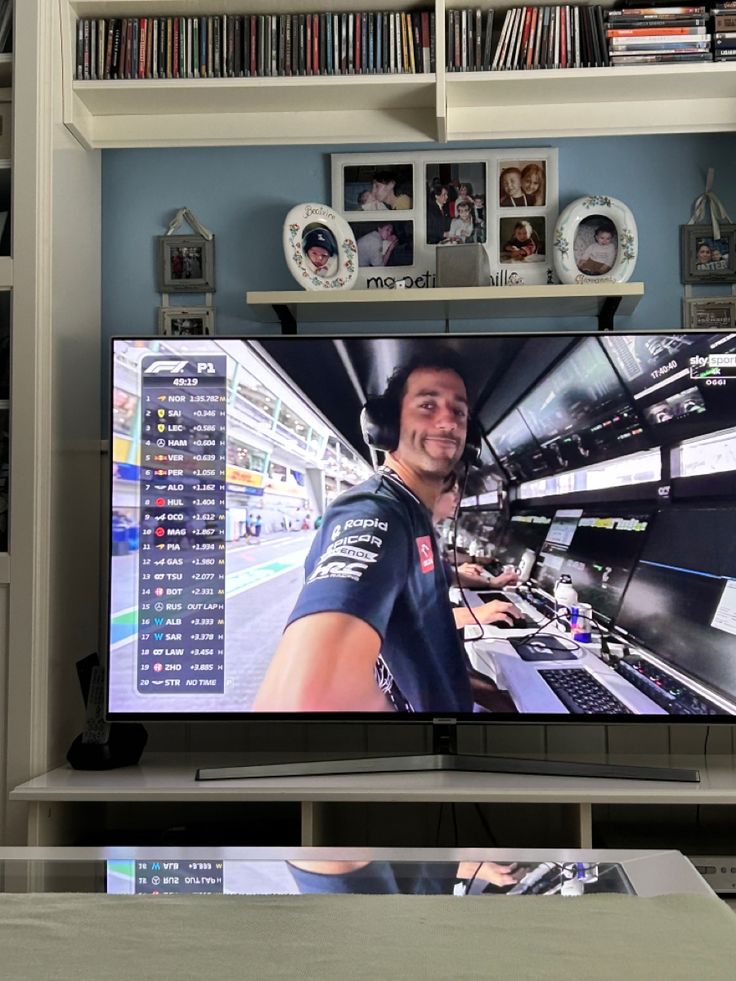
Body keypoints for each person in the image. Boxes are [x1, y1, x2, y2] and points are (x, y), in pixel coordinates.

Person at [252, 353, 521, 713]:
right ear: (389, 427)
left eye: (458, 412)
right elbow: (303, 696)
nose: (447, 422)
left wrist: (489, 695)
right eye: (427, 405)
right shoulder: (374, 512)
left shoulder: (412, 514)